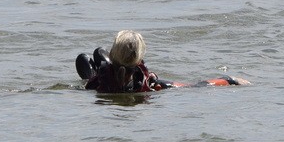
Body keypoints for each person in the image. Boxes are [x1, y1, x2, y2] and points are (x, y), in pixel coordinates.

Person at [75, 29, 251, 92]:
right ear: (139, 60)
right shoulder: (151, 85)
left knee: (92, 56)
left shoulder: (97, 85)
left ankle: (103, 64)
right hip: (116, 73)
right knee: (97, 54)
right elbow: (198, 85)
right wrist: (231, 80)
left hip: (104, 77)